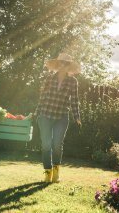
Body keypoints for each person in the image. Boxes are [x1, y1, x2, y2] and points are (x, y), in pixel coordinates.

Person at [35, 53, 81, 183]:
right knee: (46, 144)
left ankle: (56, 173)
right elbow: (42, 97)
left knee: (56, 145)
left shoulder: (73, 82)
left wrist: (77, 117)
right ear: (57, 64)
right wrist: (37, 113)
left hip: (61, 116)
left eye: (66, 64)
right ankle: (47, 172)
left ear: (69, 66)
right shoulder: (49, 79)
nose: (63, 65)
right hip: (46, 115)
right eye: (61, 63)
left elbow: (74, 100)